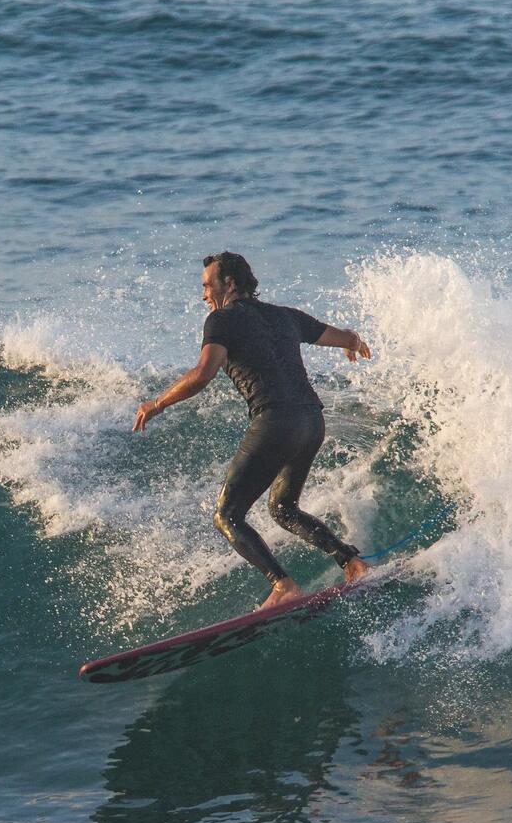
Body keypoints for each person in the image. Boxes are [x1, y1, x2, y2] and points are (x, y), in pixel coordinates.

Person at [133, 252, 371, 610]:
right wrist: (353, 343)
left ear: (229, 284)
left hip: (276, 423)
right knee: (284, 508)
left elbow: (202, 373)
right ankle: (351, 561)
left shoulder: (221, 321)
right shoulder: (284, 315)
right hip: (311, 421)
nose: (203, 296)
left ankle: (283, 585)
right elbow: (339, 336)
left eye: (206, 286)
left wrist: (156, 404)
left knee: (226, 515)